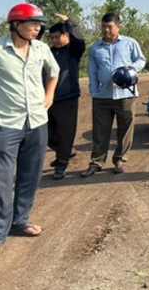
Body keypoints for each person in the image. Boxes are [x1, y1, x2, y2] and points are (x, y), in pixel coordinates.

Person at [0, 3, 59, 262]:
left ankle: (20, 220)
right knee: (2, 181)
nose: (38, 28)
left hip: (37, 122)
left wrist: (49, 93)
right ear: (16, 24)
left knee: (30, 175)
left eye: (40, 23)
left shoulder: (41, 49)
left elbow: (54, 72)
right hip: (7, 125)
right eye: (33, 23)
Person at [81, 13, 146, 177]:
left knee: (125, 129)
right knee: (100, 130)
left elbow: (141, 60)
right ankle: (96, 162)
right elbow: (92, 71)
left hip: (125, 94)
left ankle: (120, 160)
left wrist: (132, 67)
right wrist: (94, 91)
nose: (106, 30)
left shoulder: (129, 43)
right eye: (104, 26)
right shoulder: (95, 48)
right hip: (102, 96)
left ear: (118, 27)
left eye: (110, 26)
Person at [47, 14, 86, 180]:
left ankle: (61, 165)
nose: (54, 40)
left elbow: (80, 40)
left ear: (66, 35)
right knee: (46, 134)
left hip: (68, 98)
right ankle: (66, 151)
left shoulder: (73, 51)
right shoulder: (47, 52)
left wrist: (69, 22)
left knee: (65, 133)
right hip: (48, 99)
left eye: (57, 37)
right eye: (52, 37)